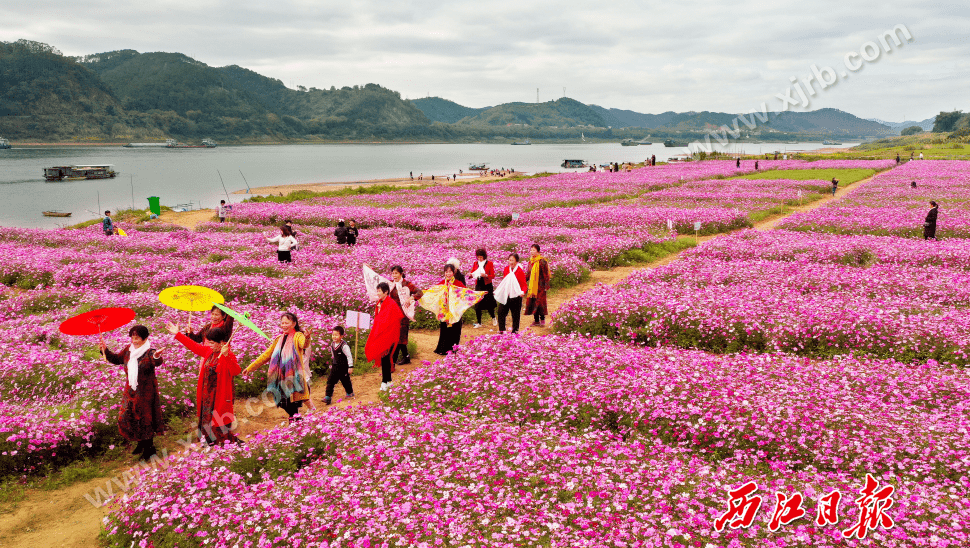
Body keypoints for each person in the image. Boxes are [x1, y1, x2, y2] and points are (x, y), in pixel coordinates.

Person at [168, 323, 241, 445]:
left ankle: (223, 443)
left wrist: (227, 356)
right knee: (206, 418)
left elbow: (236, 371)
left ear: (221, 342)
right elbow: (194, 346)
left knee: (218, 421)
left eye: (212, 343)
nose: (210, 345)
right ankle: (209, 441)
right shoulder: (209, 351)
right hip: (207, 394)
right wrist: (178, 334)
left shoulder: (228, 354)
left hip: (219, 395)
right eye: (209, 342)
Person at [100, 325, 164, 461]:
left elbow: (156, 361)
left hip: (146, 392)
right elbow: (117, 359)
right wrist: (105, 350)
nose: (134, 341)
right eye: (132, 337)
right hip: (130, 390)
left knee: (145, 420)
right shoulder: (128, 351)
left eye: (138, 338)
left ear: (145, 338)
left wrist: (157, 356)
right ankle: (140, 442)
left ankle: (149, 449)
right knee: (126, 417)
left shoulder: (149, 352)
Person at [244, 313, 312, 422]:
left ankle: (294, 421)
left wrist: (307, 338)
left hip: (292, 376)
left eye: (287, 323)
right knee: (281, 401)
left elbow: (303, 344)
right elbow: (266, 355)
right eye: (282, 323)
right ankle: (296, 419)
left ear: (294, 324)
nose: (284, 325)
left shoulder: (298, 336)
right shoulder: (278, 339)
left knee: (290, 401)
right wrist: (250, 368)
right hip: (279, 376)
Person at [424, 264, 472, 355]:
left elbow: (466, 293)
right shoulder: (442, 283)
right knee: (444, 329)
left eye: (450, 271)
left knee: (455, 330)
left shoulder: (458, 283)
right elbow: (432, 290)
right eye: (446, 272)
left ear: (453, 272)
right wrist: (420, 294)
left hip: (455, 311)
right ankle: (443, 349)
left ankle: (453, 349)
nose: (448, 273)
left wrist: (478, 294)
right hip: (445, 310)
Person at [365, 283, 405, 391]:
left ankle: (385, 381)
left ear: (386, 292)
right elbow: (379, 320)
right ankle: (388, 381)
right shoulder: (380, 303)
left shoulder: (391, 304)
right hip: (382, 335)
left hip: (389, 336)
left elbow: (395, 319)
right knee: (385, 359)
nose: (378, 293)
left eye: (379, 291)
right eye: (377, 291)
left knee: (386, 358)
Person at [388, 265, 423, 365]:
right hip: (393, 314)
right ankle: (406, 357)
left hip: (403, 314)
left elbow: (419, 292)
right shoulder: (391, 284)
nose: (394, 275)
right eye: (393, 273)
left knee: (400, 336)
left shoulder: (407, 284)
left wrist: (411, 298)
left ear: (401, 273)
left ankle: (393, 360)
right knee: (398, 336)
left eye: (396, 273)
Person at [495, 252, 527, 333]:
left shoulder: (520, 271)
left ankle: (515, 331)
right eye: (509, 260)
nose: (511, 262)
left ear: (516, 262)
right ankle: (502, 330)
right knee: (501, 312)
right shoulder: (506, 269)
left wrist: (523, 292)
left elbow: (524, 285)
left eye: (513, 260)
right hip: (506, 295)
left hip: (516, 296)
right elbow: (504, 282)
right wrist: (498, 291)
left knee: (515, 314)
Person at [324, 326, 354, 404]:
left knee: (345, 380)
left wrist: (350, 366)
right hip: (335, 366)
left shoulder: (344, 346)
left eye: (336, 335)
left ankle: (350, 392)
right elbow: (333, 353)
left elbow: (349, 356)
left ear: (341, 336)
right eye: (333, 335)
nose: (334, 336)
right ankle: (328, 396)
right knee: (330, 381)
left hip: (343, 367)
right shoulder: (332, 344)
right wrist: (333, 361)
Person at [470, 248, 497, 328]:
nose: (479, 259)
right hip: (478, 285)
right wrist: (470, 275)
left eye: (481, 257)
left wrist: (485, 275)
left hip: (487, 286)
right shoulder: (475, 263)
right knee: (478, 304)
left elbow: (493, 276)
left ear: (484, 256)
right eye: (478, 257)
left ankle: (493, 318)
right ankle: (479, 322)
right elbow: (473, 273)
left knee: (489, 304)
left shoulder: (489, 263)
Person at [525, 244, 550, 327]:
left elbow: (546, 274)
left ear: (538, 251)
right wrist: (522, 281)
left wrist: (546, 286)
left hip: (541, 286)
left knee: (540, 303)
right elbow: (528, 274)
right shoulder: (530, 262)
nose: (532, 251)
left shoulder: (542, 261)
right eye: (531, 250)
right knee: (533, 302)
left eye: (534, 250)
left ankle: (542, 319)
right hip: (532, 287)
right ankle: (536, 320)